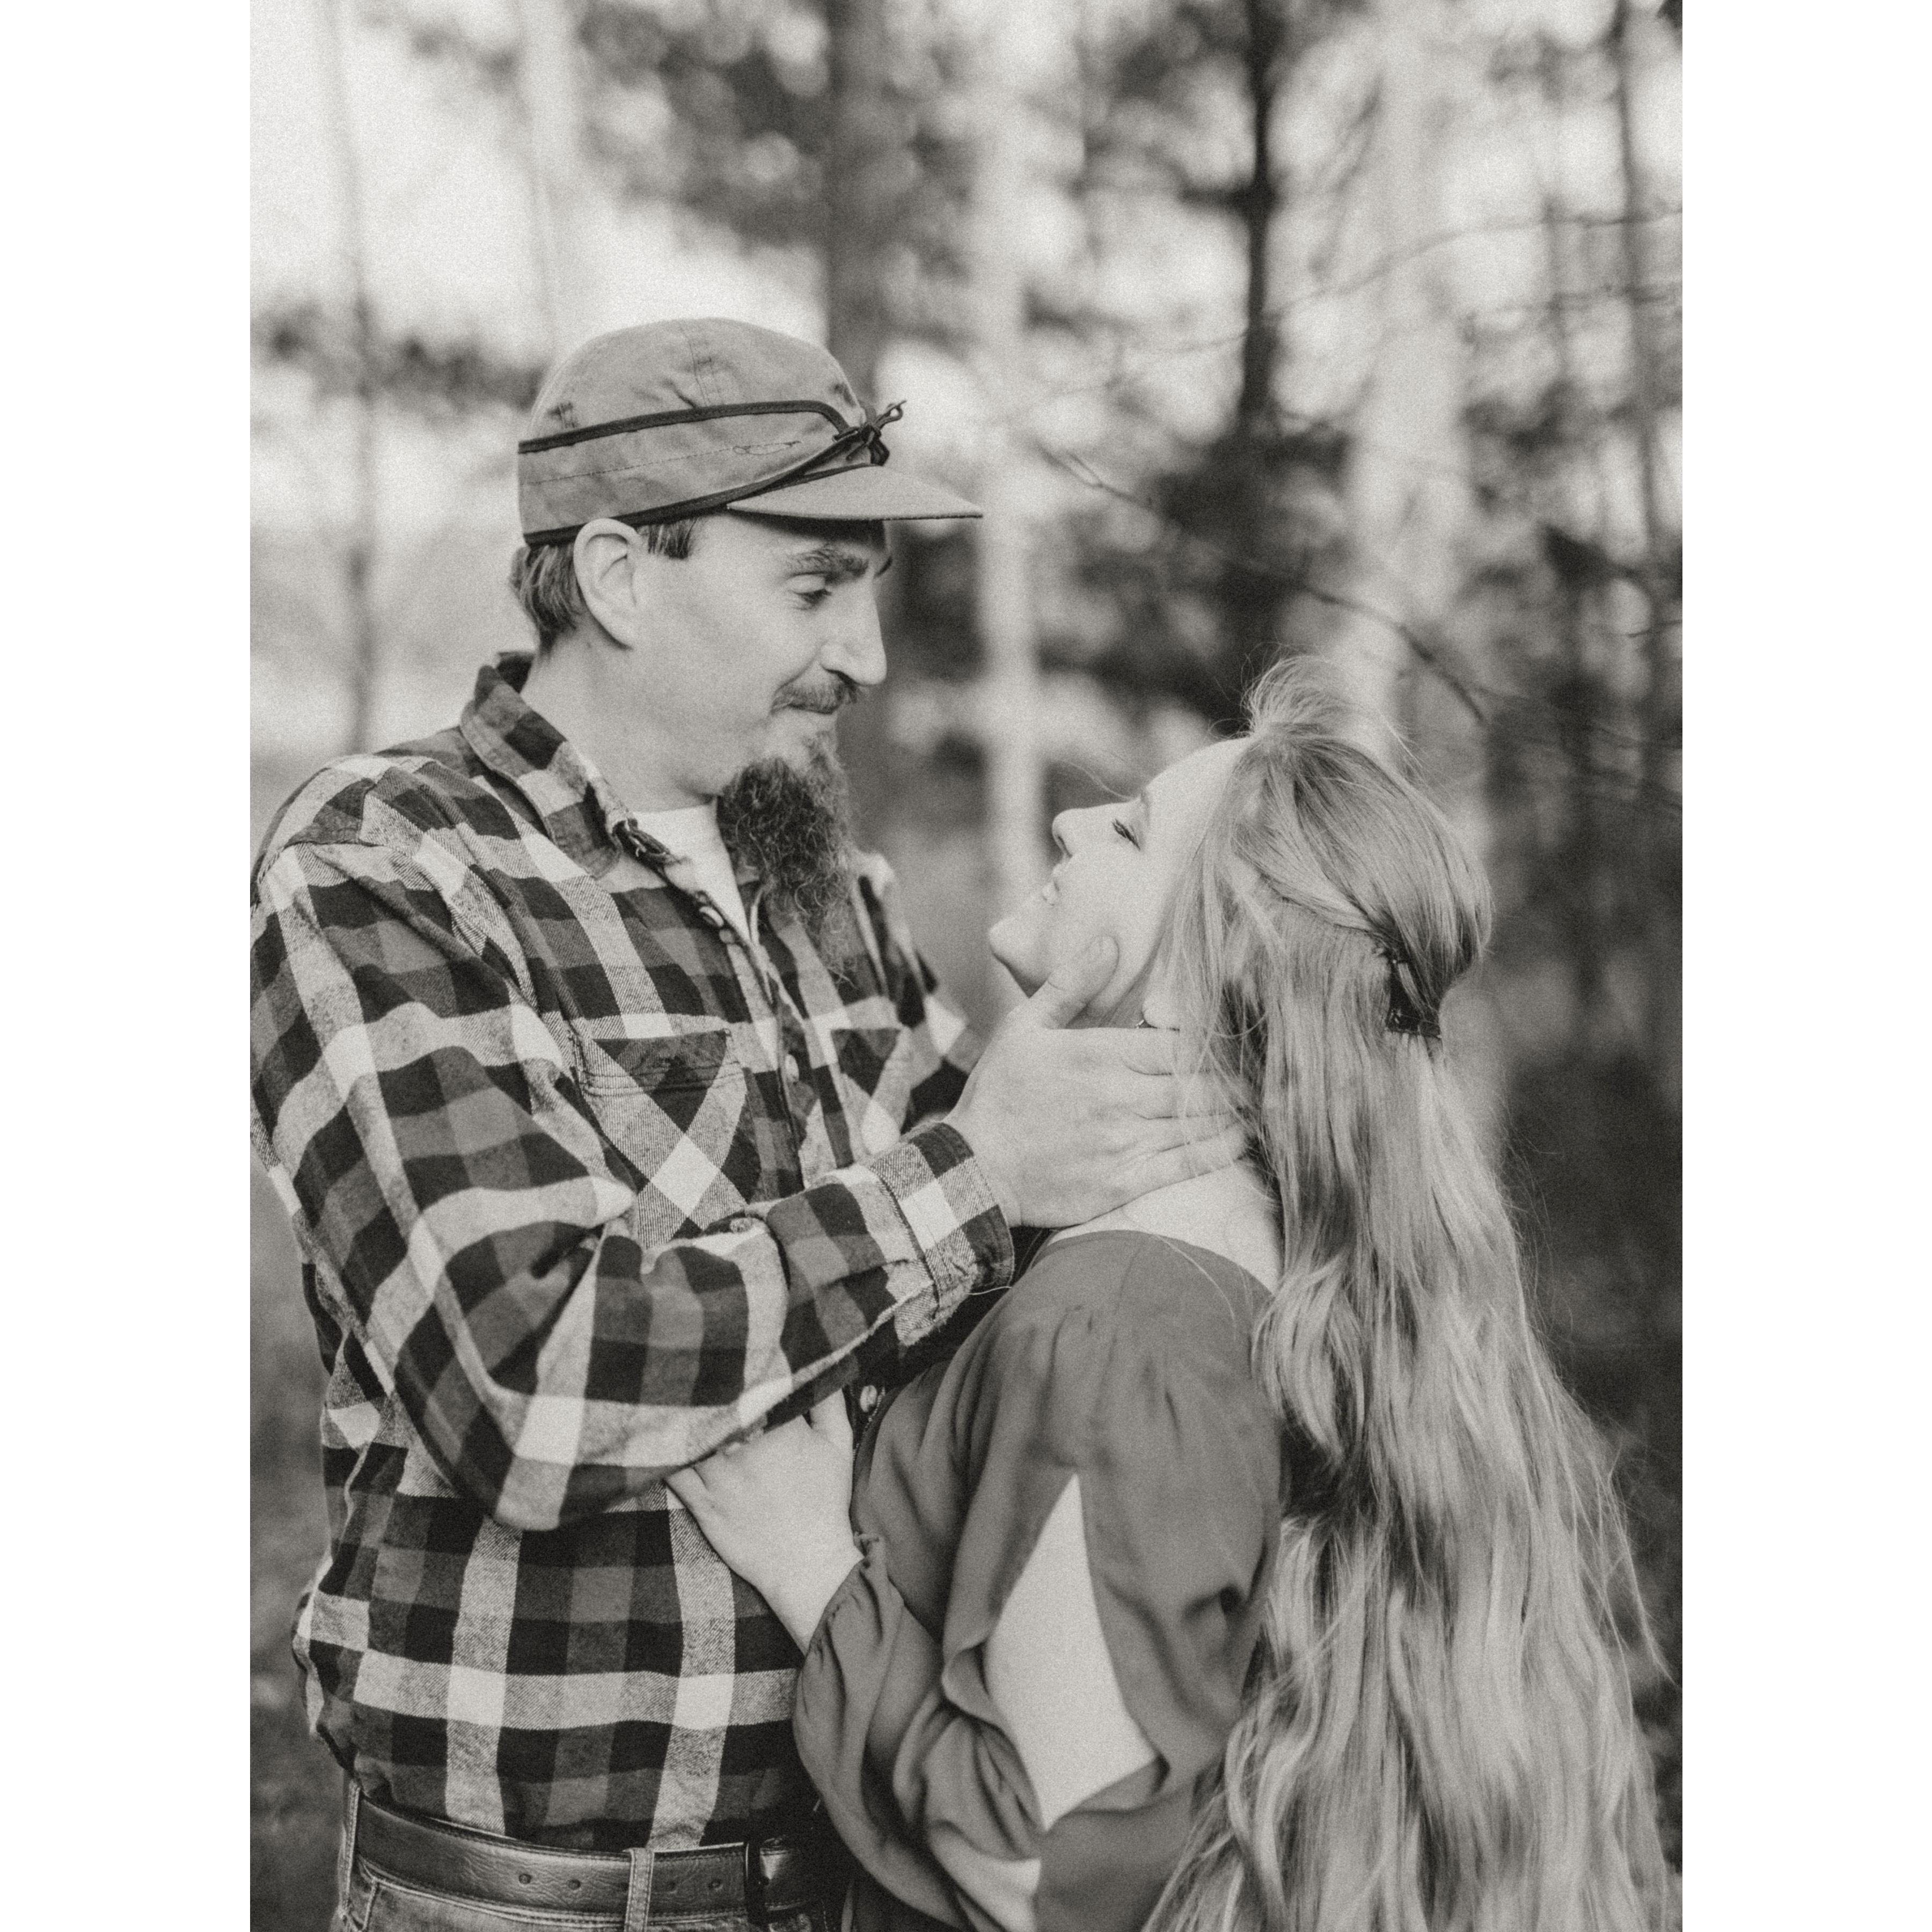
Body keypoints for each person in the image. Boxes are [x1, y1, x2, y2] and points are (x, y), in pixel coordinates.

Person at [249, 317, 1241, 1932]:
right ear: (622, 578)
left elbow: (989, 1319)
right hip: (535, 1907)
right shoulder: (386, 866)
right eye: (815, 586)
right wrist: (975, 1171)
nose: (868, 654)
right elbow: (525, 1384)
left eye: (872, 590)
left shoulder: (833, 892)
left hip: (869, 1871)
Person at [670, 663, 1672, 1932]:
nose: (1070, 821)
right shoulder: (1242, 1257)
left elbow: (1047, 1874)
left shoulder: (1120, 1328)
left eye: (1132, 831)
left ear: (1201, 977)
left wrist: (815, 1572)